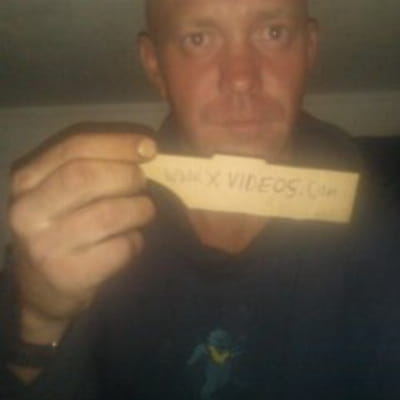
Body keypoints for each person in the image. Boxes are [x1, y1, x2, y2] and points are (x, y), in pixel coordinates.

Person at [1, 0, 399, 399]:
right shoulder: (78, 232)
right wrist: (37, 317)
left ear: (309, 49)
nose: (241, 78)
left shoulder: (386, 230)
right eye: (199, 39)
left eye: (273, 33)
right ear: (155, 65)